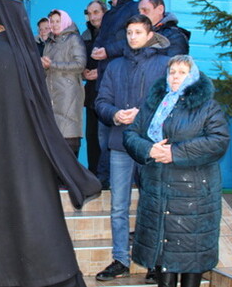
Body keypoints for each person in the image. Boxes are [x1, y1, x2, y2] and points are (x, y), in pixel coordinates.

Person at [0, 0, 101, 287]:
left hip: (0, 162)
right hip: (26, 157)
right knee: (34, 220)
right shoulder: (22, 53)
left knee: (5, 223)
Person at [123, 55, 230, 287]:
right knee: (162, 255)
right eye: (172, 72)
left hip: (193, 197)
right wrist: (149, 149)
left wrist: (175, 153)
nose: (175, 77)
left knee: (192, 257)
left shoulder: (208, 106)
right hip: (158, 192)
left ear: (192, 76)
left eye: (182, 72)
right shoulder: (154, 104)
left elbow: (218, 141)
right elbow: (131, 134)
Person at [95, 14, 170, 282]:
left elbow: (171, 103)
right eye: (129, 33)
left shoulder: (164, 65)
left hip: (151, 146)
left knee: (151, 204)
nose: (133, 37)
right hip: (120, 144)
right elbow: (101, 101)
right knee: (118, 206)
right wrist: (115, 115)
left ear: (150, 35)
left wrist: (144, 116)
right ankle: (120, 260)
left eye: (138, 32)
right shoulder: (114, 67)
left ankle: (154, 263)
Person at [92, 0, 139, 195]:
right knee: (104, 135)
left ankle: (121, 180)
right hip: (105, 80)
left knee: (121, 135)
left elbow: (131, 40)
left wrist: (108, 51)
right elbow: (100, 39)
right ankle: (106, 178)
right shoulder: (109, 13)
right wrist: (97, 51)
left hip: (124, 80)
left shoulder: (133, 9)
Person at [42, 9, 86, 156]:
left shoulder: (74, 39)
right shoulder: (49, 42)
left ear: (65, 21)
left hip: (69, 94)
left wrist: (52, 65)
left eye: (57, 21)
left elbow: (80, 64)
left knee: (69, 135)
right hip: (52, 93)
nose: (54, 24)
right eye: (52, 21)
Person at [82, 0, 105, 178]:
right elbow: (80, 60)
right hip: (91, 93)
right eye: (90, 13)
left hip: (107, 92)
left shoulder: (111, 33)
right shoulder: (85, 35)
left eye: (96, 12)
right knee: (91, 136)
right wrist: (83, 72)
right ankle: (93, 175)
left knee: (105, 137)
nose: (93, 16)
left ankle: (105, 177)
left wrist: (100, 72)